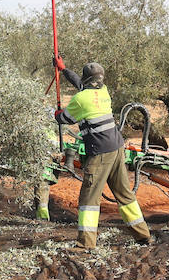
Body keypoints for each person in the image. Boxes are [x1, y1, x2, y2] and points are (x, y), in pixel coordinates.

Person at [53, 57, 152, 249]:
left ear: (86, 79)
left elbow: (63, 118)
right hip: (117, 148)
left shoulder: (80, 99)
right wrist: (64, 70)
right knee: (124, 194)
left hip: (99, 153)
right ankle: (143, 235)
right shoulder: (103, 91)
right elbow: (80, 85)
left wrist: (52, 112)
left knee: (89, 199)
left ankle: (85, 244)